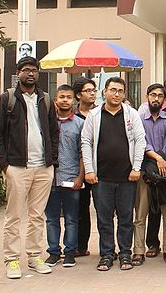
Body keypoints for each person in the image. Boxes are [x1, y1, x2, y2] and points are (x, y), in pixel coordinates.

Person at [0, 57, 59, 278]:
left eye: (34, 70)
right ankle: (12, 260)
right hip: (17, 167)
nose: (31, 74)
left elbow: (52, 132)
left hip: (43, 167)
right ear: (18, 72)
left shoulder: (46, 99)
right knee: (13, 216)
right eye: (26, 70)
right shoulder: (7, 99)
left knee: (37, 215)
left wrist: (53, 160)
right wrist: (5, 166)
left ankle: (34, 256)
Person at [81, 77, 146, 271]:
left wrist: (136, 168)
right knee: (104, 219)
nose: (116, 94)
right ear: (105, 92)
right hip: (101, 178)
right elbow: (86, 142)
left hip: (127, 177)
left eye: (120, 91)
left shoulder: (131, 114)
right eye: (112, 90)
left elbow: (140, 140)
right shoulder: (94, 115)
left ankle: (125, 254)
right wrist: (89, 170)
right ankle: (107, 254)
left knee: (126, 218)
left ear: (124, 94)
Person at [44, 85, 85, 267]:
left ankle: (70, 252)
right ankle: (53, 252)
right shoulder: (46, 123)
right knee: (52, 218)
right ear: (55, 100)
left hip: (71, 179)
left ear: (73, 101)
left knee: (71, 218)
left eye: (68, 97)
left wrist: (80, 177)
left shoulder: (79, 124)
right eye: (62, 97)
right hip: (49, 179)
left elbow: (84, 152)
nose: (65, 100)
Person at [133, 84, 166, 265]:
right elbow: (141, 142)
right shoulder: (139, 119)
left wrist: (162, 159)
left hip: (165, 171)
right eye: (153, 95)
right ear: (147, 96)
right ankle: (138, 250)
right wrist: (157, 158)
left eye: (159, 96)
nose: (156, 99)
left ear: (164, 99)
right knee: (141, 213)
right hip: (144, 170)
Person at [72, 77, 97, 257]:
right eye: (88, 91)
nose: (92, 93)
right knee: (81, 208)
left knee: (104, 210)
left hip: (99, 168)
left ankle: (108, 247)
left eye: (94, 90)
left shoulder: (99, 114)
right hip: (79, 169)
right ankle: (80, 246)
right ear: (79, 95)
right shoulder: (72, 116)